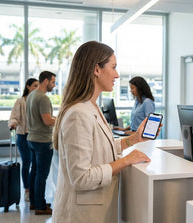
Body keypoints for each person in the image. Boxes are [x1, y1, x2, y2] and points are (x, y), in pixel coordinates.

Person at [52, 41, 154, 223]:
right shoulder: (78, 113)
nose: (116, 74)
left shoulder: (91, 107)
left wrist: (134, 139)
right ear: (96, 69)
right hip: (80, 215)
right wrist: (126, 161)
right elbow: (81, 178)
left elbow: (99, 148)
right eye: (113, 67)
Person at [26, 71, 56, 215]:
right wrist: (62, 119)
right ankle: (40, 206)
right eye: (53, 82)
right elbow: (47, 121)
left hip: (31, 139)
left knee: (34, 172)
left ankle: (34, 202)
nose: (54, 85)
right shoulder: (43, 98)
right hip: (43, 141)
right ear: (46, 81)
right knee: (41, 175)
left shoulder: (31, 95)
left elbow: (42, 117)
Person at [8, 78, 39, 202]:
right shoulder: (20, 101)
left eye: (38, 85)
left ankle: (33, 187)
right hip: (23, 136)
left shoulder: (37, 101)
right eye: (34, 85)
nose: (37, 88)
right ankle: (27, 189)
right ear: (28, 87)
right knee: (27, 162)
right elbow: (14, 116)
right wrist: (13, 124)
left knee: (35, 163)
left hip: (36, 136)